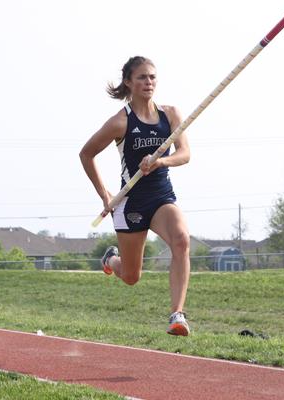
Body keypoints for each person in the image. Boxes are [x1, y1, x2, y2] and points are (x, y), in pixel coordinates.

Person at [79, 56, 191, 335]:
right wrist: (105, 195)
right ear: (129, 82)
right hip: (131, 202)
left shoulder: (171, 115)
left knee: (181, 240)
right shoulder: (121, 122)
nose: (148, 82)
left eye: (152, 77)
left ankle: (177, 315)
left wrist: (160, 162)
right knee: (130, 276)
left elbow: (185, 154)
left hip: (161, 196)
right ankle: (110, 260)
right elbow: (86, 154)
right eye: (142, 77)